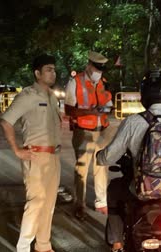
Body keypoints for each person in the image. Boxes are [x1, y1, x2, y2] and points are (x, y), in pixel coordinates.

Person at [96, 70, 161, 252]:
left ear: (144, 96)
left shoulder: (133, 122)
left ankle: (116, 243)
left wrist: (100, 156)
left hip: (142, 193)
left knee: (114, 188)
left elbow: (108, 157)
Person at [0, 54, 61, 252]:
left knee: (49, 204)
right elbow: (6, 121)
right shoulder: (28, 96)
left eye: (54, 69)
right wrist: (16, 150)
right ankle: (24, 247)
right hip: (35, 156)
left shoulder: (52, 97)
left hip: (53, 156)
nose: (53, 72)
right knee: (36, 203)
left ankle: (43, 246)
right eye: (48, 69)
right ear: (37, 73)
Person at [64, 51, 114, 217]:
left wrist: (106, 109)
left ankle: (102, 202)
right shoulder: (75, 82)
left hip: (102, 131)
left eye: (101, 69)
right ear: (89, 66)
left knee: (101, 167)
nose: (98, 72)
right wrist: (89, 112)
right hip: (83, 132)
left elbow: (109, 104)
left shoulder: (104, 83)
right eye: (96, 68)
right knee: (82, 169)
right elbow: (69, 109)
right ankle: (80, 204)